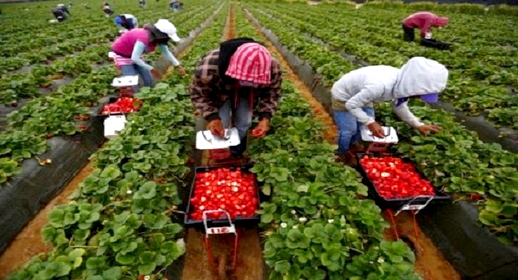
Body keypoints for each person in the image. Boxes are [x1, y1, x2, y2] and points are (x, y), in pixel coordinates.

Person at [331, 57, 448, 162]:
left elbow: (400, 106)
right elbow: (351, 105)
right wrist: (370, 122)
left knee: (363, 127)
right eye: (420, 94)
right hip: (344, 96)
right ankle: (341, 152)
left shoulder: (404, 86)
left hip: (364, 96)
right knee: (349, 130)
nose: (419, 98)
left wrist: (418, 125)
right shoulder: (380, 85)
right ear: (413, 86)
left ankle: (353, 144)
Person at [188, 38, 283, 159]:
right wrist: (212, 117)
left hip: (248, 93)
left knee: (245, 121)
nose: (246, 82)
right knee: (222, 121)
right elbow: (199, 94)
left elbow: (272, 93)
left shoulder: (272, 68)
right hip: (220, 89)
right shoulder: (209, 67)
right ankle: (220, 149)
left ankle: (236, 151)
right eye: (243, 80)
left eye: (252, 82)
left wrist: (265, 118)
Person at [111, 19, 186, 92]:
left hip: (136, 54)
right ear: (161, 34)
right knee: (131, 81)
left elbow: (167, 52)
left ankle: (149, 95)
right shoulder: (144, 37)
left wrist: (178, 65)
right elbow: (135, 58)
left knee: (147, 78)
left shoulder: (158, 39)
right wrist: (152, 69)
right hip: (123, 55)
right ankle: (136, 98)